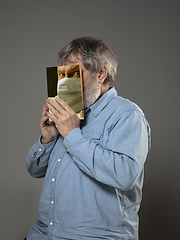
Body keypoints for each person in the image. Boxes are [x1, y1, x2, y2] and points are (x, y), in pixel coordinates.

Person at [25, 37, 151, 240]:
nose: (65, 82)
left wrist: (72, 134)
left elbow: (125, 175)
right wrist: (46, 140)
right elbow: (34, 170)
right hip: (43, 235)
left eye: (74, 73)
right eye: (62, 74)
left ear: (100, 74)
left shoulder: (128, 115)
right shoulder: (69, 113)